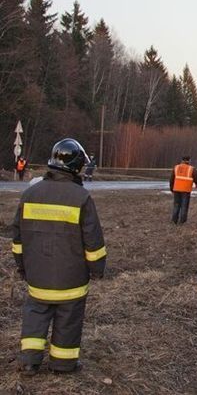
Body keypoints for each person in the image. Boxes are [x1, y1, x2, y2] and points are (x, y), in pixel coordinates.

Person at [10, 138, 106, 376]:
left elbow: (18, 238)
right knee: (68, 320)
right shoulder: (81, 197)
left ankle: (29, 362)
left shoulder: (30, 194)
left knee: (35, 316)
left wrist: (22, 267)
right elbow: (93, 241)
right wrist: (97, 269)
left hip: (37, 278)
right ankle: (63, 365)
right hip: (71, 281)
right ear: (76, 166)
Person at [170, 155, 194, 225]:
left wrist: (172, 188)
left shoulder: (176, 167)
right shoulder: (191, 168)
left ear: (182, 160)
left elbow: (172, 179)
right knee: (184, 206)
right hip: (186, 190)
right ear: (189, 160)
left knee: (176, 205)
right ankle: (182, 221)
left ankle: (174, 220)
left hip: (176, 189)